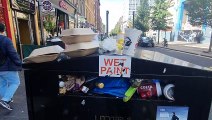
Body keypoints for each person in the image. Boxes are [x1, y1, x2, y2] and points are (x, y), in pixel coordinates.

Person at [0, 23, 22, 110]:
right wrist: (19, 63)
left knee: (2, 83)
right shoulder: (5, 40)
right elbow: (13, 54)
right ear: (3, 30)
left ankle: (6, 98)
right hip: (7, 67)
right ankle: (5, 100)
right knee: (15, 82)